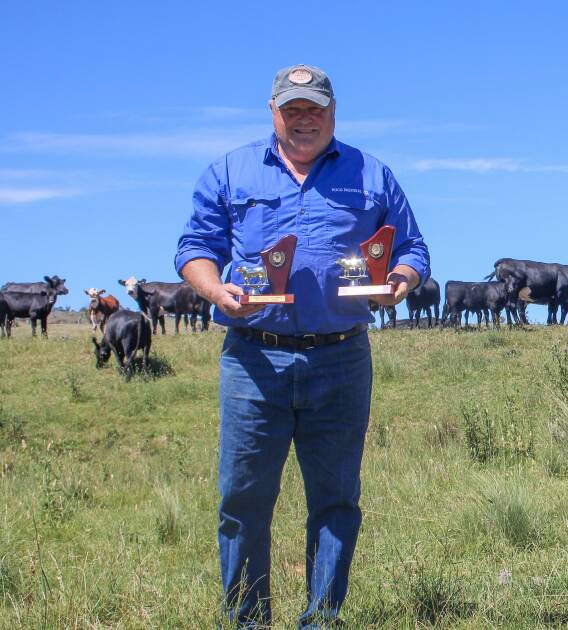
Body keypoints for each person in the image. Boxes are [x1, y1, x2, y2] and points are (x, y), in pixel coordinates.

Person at [175, 64, 430, 629]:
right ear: (274, 112)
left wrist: (401, 282)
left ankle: (322, 619)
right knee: (242, 501)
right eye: (293, 109)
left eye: (314, 108)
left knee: (336, 500)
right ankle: (247, 620)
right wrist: (214, 287)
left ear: (333, 112)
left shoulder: (373, 174)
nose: (304, 119)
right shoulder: (230, 171)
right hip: (253, 358)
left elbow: (412, 248)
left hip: (341, 357)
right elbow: (194, 245)